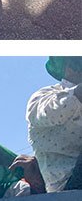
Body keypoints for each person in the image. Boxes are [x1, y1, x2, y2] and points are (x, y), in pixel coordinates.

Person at [26, 57, 82, 193]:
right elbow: (46, 113)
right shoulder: (44, 95)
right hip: (67, 186)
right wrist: (77, 94)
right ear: (70, 67)